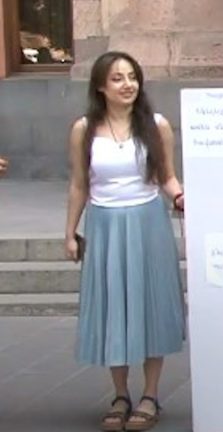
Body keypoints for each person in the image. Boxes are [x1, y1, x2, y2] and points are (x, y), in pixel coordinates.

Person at [64, 51, 186, 432]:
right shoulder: (84, 129)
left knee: (150, 305)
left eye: (132, 77)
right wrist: (70, 232)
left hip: (148, 222)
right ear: (101, 86)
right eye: (117, 78)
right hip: (104, 224)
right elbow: (79, 184)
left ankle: (150, 395)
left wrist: (180, 198)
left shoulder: (156, 125)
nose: (127, 84)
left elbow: (167, 176)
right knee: (113, 307)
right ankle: (120, 395)